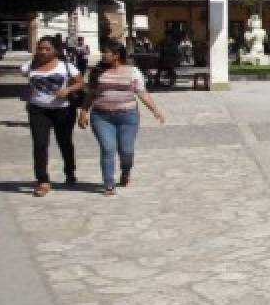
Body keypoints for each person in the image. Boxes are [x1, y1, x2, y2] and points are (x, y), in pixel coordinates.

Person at [78, 39, 165, 196]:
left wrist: (155, 110)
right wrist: (83, 112)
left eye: (106, 52)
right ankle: (109, 184)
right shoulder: (97, 72)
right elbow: (91, 93)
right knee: (107, 148)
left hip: (127, 117)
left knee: (126, 150)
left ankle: (125, 171)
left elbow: (142, 92)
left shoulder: (133, 71)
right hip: (101, 117)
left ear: (117, 55)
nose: (103, 55)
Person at [21, 36, 85, 196]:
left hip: (62, 110)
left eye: (47, 49)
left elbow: (80, 82)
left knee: (64, 143)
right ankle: (42, 180)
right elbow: (28, 84)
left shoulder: (66, 66)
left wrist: (68, 90)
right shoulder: (29, 66)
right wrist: (28, 94)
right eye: (40, 48)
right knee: (39, 144)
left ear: (55, 50)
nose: (43, 51)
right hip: (38, 110)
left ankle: (70, 172)